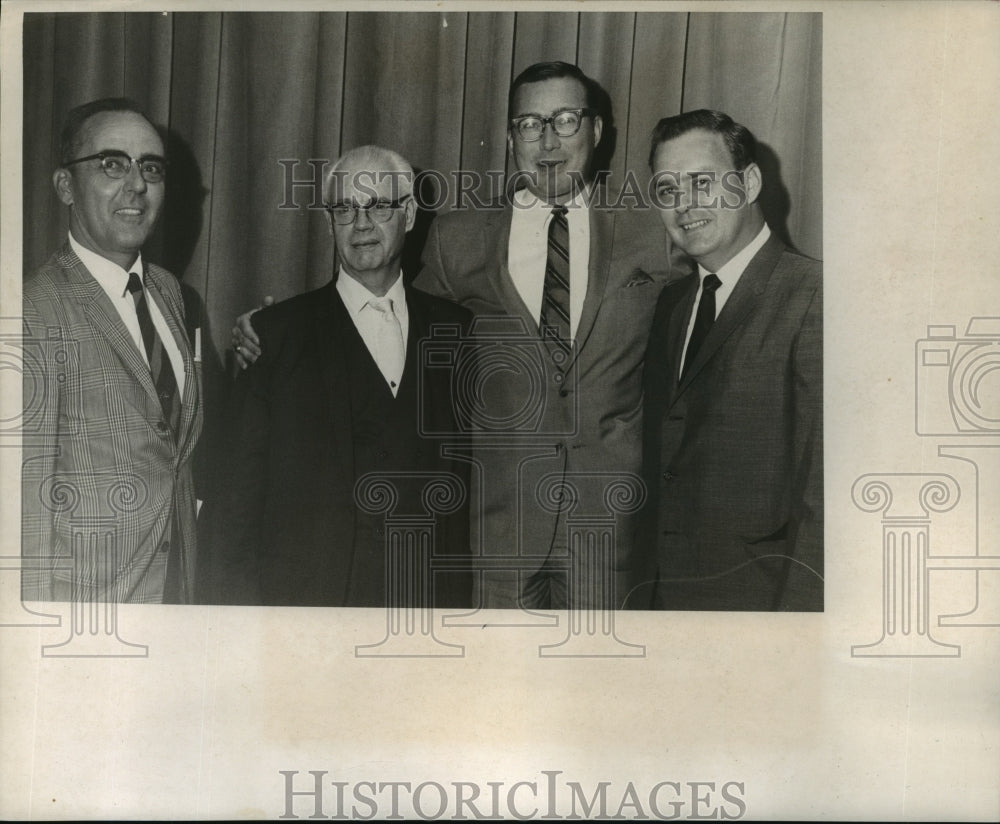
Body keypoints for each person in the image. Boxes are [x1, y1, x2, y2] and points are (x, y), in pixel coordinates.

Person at [232, 63, 678, 611]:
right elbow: (378, 310)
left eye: (564, 120)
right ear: (511, 137)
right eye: (529, 124)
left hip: (610, 538)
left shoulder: (652, 236)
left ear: (597, 132)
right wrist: (269, 327)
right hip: (494, 544)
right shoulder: (457, 240)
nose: (548, 140)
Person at [199, 146, 472, 607]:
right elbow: (235, 503)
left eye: (378, 206)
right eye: (345, 209)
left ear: (407, 214)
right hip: (305, 613)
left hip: (424, 611)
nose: (361, 224)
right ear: (329, 224)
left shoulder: (455, 330)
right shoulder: (275, 335)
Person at [22, 97, 203, 603]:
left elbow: (171, 452)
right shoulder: (31, 313)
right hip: (85, 619)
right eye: (112, 164)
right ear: (65, 186)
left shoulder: (169, 294)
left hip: (175, 601)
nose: (137, 185)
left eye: (151, 167)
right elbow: (19, 507)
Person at [641, 109, 823, 611]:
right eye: (668, 190)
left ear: (748, 183)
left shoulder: (815, 296)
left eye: (702, 183)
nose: (684, 205)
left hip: (760, 608)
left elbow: (824, 498)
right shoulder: (670, 305)